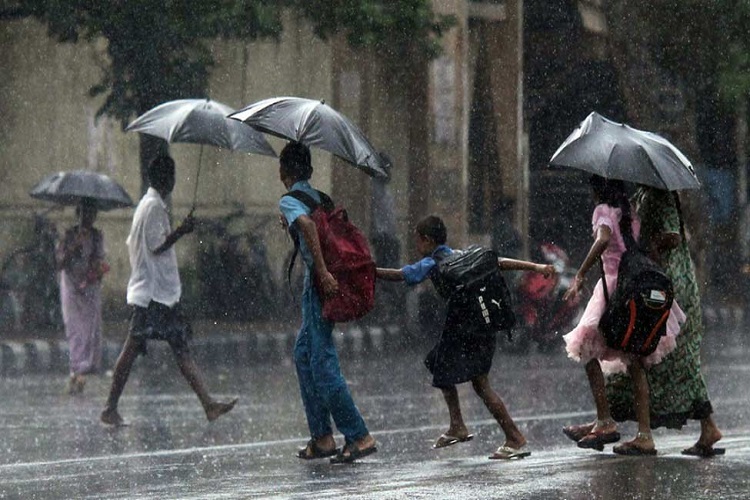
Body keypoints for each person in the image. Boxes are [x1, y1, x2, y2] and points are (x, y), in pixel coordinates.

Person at [375, 215, 555, 460]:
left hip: (465, 328)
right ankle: (458, 425)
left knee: (478, 384)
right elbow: (498, 262)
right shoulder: (461, 254)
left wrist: (370, 271)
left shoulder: (431, 263)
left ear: (427, 240)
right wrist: (535, 267)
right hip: (481, 326)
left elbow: (401, 275)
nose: (417, 246)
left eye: (417, 241)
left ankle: (512, 437)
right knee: (440, 365)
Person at [566, 186, 724, 457]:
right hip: (639, 283)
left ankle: (609, 421)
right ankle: (625, 426)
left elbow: (608, 239)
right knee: (634, 359)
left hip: (634, 285)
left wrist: (581, 273)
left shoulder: (629, 205)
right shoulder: (631, 208)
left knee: (591, 348)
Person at [100, 156, 237, 426]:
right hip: (153, 296)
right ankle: (109, 407)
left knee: (179, 348)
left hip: (159, 294)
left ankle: (208, 404)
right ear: (168, 179)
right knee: (133, 351)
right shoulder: (152, 207)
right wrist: (182, 231)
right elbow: (156, 245)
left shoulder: (149, 205)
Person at [278, 142, 377, 464]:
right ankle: (321, 436)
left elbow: (307, 226)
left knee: (321, 362)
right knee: (304, 355)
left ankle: (358, 435)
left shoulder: (291, 199)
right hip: (319, 283)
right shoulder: (321, 198)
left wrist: (320, 271)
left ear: (284, 173)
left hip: (319, 284)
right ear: (309, 170)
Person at [56, 198, 107, 394]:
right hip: (71, 286)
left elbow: (99, 259)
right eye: (85, 213)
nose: (89, 218)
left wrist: (97, 268)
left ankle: (82, 371)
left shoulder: (96, 236)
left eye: (92, 214)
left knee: (89, 330)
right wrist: (73, 246)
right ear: (79, 214)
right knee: (75, 328)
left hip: (89, 287)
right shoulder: (68, 235)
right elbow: (60, 262)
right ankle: (76, 370)